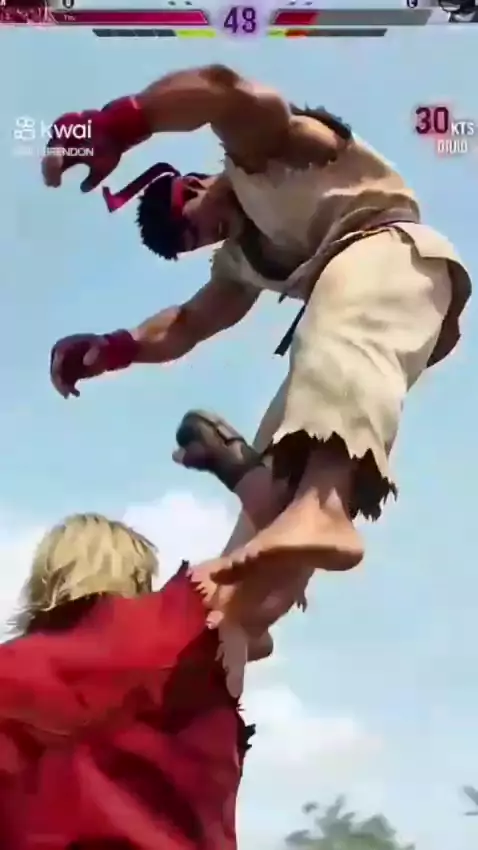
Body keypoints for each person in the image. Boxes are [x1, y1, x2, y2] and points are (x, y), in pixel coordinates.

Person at [42, 64, 471, 583]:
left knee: (330, 325)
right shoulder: (241, 261)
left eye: (195, 224)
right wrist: (115, 348)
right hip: (356, 316)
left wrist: (118, 124)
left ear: (195, 185)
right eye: (194, 243)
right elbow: (187, 323)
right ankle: (239, 597)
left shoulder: (261, 154)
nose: (208, 236)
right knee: (285, 446)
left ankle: (323, 506)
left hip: (395, 255)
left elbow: (221, 89)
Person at [0, 420, 310, 850]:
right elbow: (291, 542)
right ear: (139, 577)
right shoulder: (181, 632)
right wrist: (244, 471)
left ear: (44, 578)